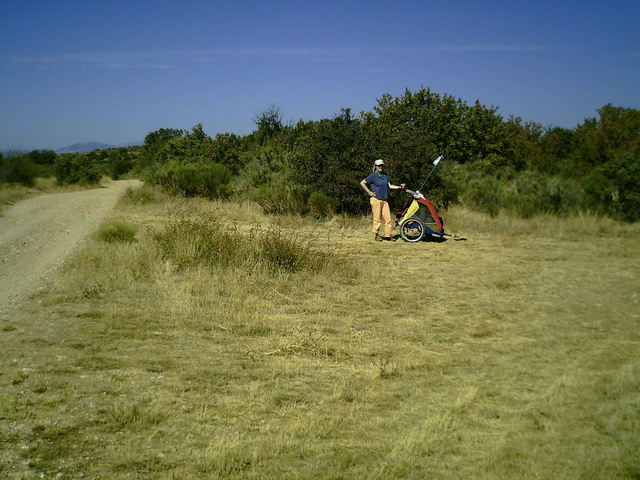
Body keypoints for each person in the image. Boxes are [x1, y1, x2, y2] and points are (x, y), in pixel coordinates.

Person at [360, 159, 405, 242]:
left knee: (388, 219)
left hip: (384, 200)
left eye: (381, 165)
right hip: (376, 199)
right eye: (378, 165)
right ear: (375, 166)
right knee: (377, 218)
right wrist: (369, 192)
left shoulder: (385, 175)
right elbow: (362, 183)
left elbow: (390, 186)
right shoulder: (373, 175)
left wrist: (399, 187)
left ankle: (388, 235)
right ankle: (376, 235)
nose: (380, 167)